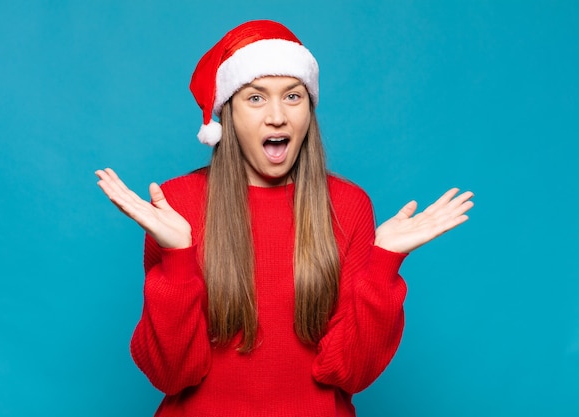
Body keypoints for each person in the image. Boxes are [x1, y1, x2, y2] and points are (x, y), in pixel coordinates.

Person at [95, 20, 473, 417]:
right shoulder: (177, 204)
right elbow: (170, 375)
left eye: (292, 97)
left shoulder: (348, 206)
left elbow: (350, 374)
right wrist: (175, 259)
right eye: (256, 98)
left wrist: (383, 267)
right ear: (227, 113)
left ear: (309, 109)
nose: (277, 116)